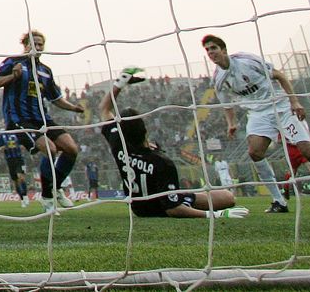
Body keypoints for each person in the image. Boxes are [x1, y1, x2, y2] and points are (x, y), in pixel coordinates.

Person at [202, 35, 310, 213]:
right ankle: (279, 201)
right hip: (258, 114)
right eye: (207, 50)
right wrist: (231, 123)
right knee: (255, 153)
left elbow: (280, 76)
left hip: (281, 107)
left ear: (223, 50)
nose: (210, 52)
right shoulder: (218, 78)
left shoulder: (247, 60)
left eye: (213, 48)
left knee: (308, 153)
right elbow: (227, 105)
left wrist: (294, 102)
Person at [98, 67, 248, 219]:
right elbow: (173, 209)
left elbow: (104, 109)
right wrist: (216, 214)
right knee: (228, 198)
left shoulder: (117, 143)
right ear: (145, 131)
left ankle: (189, 196)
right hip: (160, 207)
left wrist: (120, 82)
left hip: (137, 208)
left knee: (211, 195)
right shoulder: (161, 162)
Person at [0, 30, 85, 213]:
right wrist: (13, 76)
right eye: (34, 44)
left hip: (43, 119)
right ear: (25, 46)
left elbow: (55, 98)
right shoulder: (13, 62)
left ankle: (55, 187)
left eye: (41, 44)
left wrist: (74, 108)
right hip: (19, 120)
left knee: (71, 149)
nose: (38, 47)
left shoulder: (45, 71)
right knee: (50, 149)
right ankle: (47, 198)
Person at [280, 135, 310, 202]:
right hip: (295, 152)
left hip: (301, 151)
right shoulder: (284, 128)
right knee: (293, 172)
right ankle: (286, 188)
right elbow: (279, 140)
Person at [0, 132, 30, 208]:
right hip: (10, 160)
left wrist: (23, 145)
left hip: (19, 159)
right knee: (15, 180)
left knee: (21, 177)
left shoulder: (17, 133)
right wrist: (0, 148)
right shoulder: (2, 135)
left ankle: (25, 195)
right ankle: (22, 199)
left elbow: (25, 142)